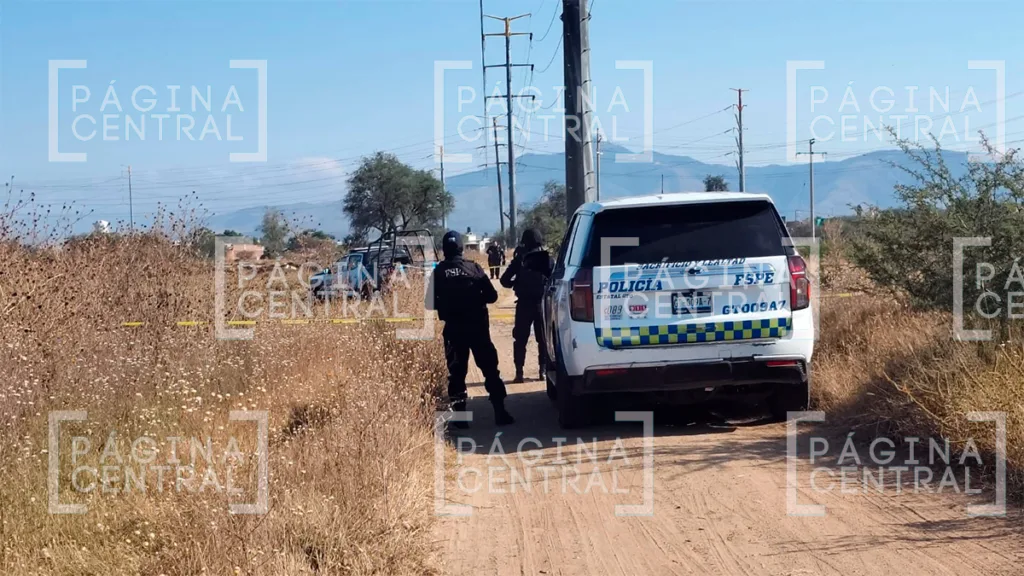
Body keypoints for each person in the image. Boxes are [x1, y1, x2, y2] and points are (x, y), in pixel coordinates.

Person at [426, 230, 515, 426]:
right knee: (491, 370)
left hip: (454, 332)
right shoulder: (474, 268)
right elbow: (492, 296)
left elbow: (429, 303)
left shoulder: (439, 272)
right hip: (478, 330)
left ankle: (460, 420)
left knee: (457, 374)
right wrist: (475, 300)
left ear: (444, 249)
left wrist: (447, 303)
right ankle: (500, 413)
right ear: (461, 248)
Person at [500, 229, 554, 383]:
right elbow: (553, 279)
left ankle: (519, 373)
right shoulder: (547, 259)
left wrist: (515, 284)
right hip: (542, 303)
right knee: (543, 339)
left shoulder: (520, 259)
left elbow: (504, 280)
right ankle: (542, 371)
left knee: (520, 339)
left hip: (523, 304)